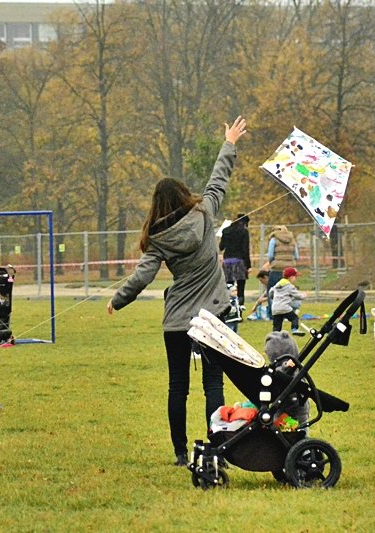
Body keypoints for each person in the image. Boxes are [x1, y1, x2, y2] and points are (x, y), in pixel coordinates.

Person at [107, 116, 247, 466]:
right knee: (213, 385)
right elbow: (218, 181)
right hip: (213, 317)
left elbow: (141, 277)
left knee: (177, 387)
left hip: (178, 323)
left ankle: (181, 453)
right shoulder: (204, 212)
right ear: (185, 194)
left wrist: (117, 300)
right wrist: (228, 143)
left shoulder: (156, 237)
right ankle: (217, 447)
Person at [266, 225, 299, 317]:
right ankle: (289, 312)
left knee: (272, 290)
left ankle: (272, 313)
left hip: (277, 268)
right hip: (290, 270)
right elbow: (296, 256)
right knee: (289, 291)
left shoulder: (273, 240)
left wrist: (271, 262)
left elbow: (270, 255)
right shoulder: (292, 240)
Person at [219, 213, 251, 305]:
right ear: (245, 223)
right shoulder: (244, 232)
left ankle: (229, 309)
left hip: (227, 261)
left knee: (229, 287)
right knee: (240, 288)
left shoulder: (225, 230)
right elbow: (245, 249)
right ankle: (239, 310)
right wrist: (248, 265)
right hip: (239, 261)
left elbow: (221, 247)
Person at [270, 266, 306, 336]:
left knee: (277, 325)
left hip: (275, 308)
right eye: (295, 277)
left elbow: (271, 292)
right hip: (285, 308)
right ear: (291, 277)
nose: (295, 279)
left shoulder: (277, 284)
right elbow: (298, 296)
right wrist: (304, 295)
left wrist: (273, 297)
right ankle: (294, 329)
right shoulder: (289, 286)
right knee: (294, 318)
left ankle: (274, 335)